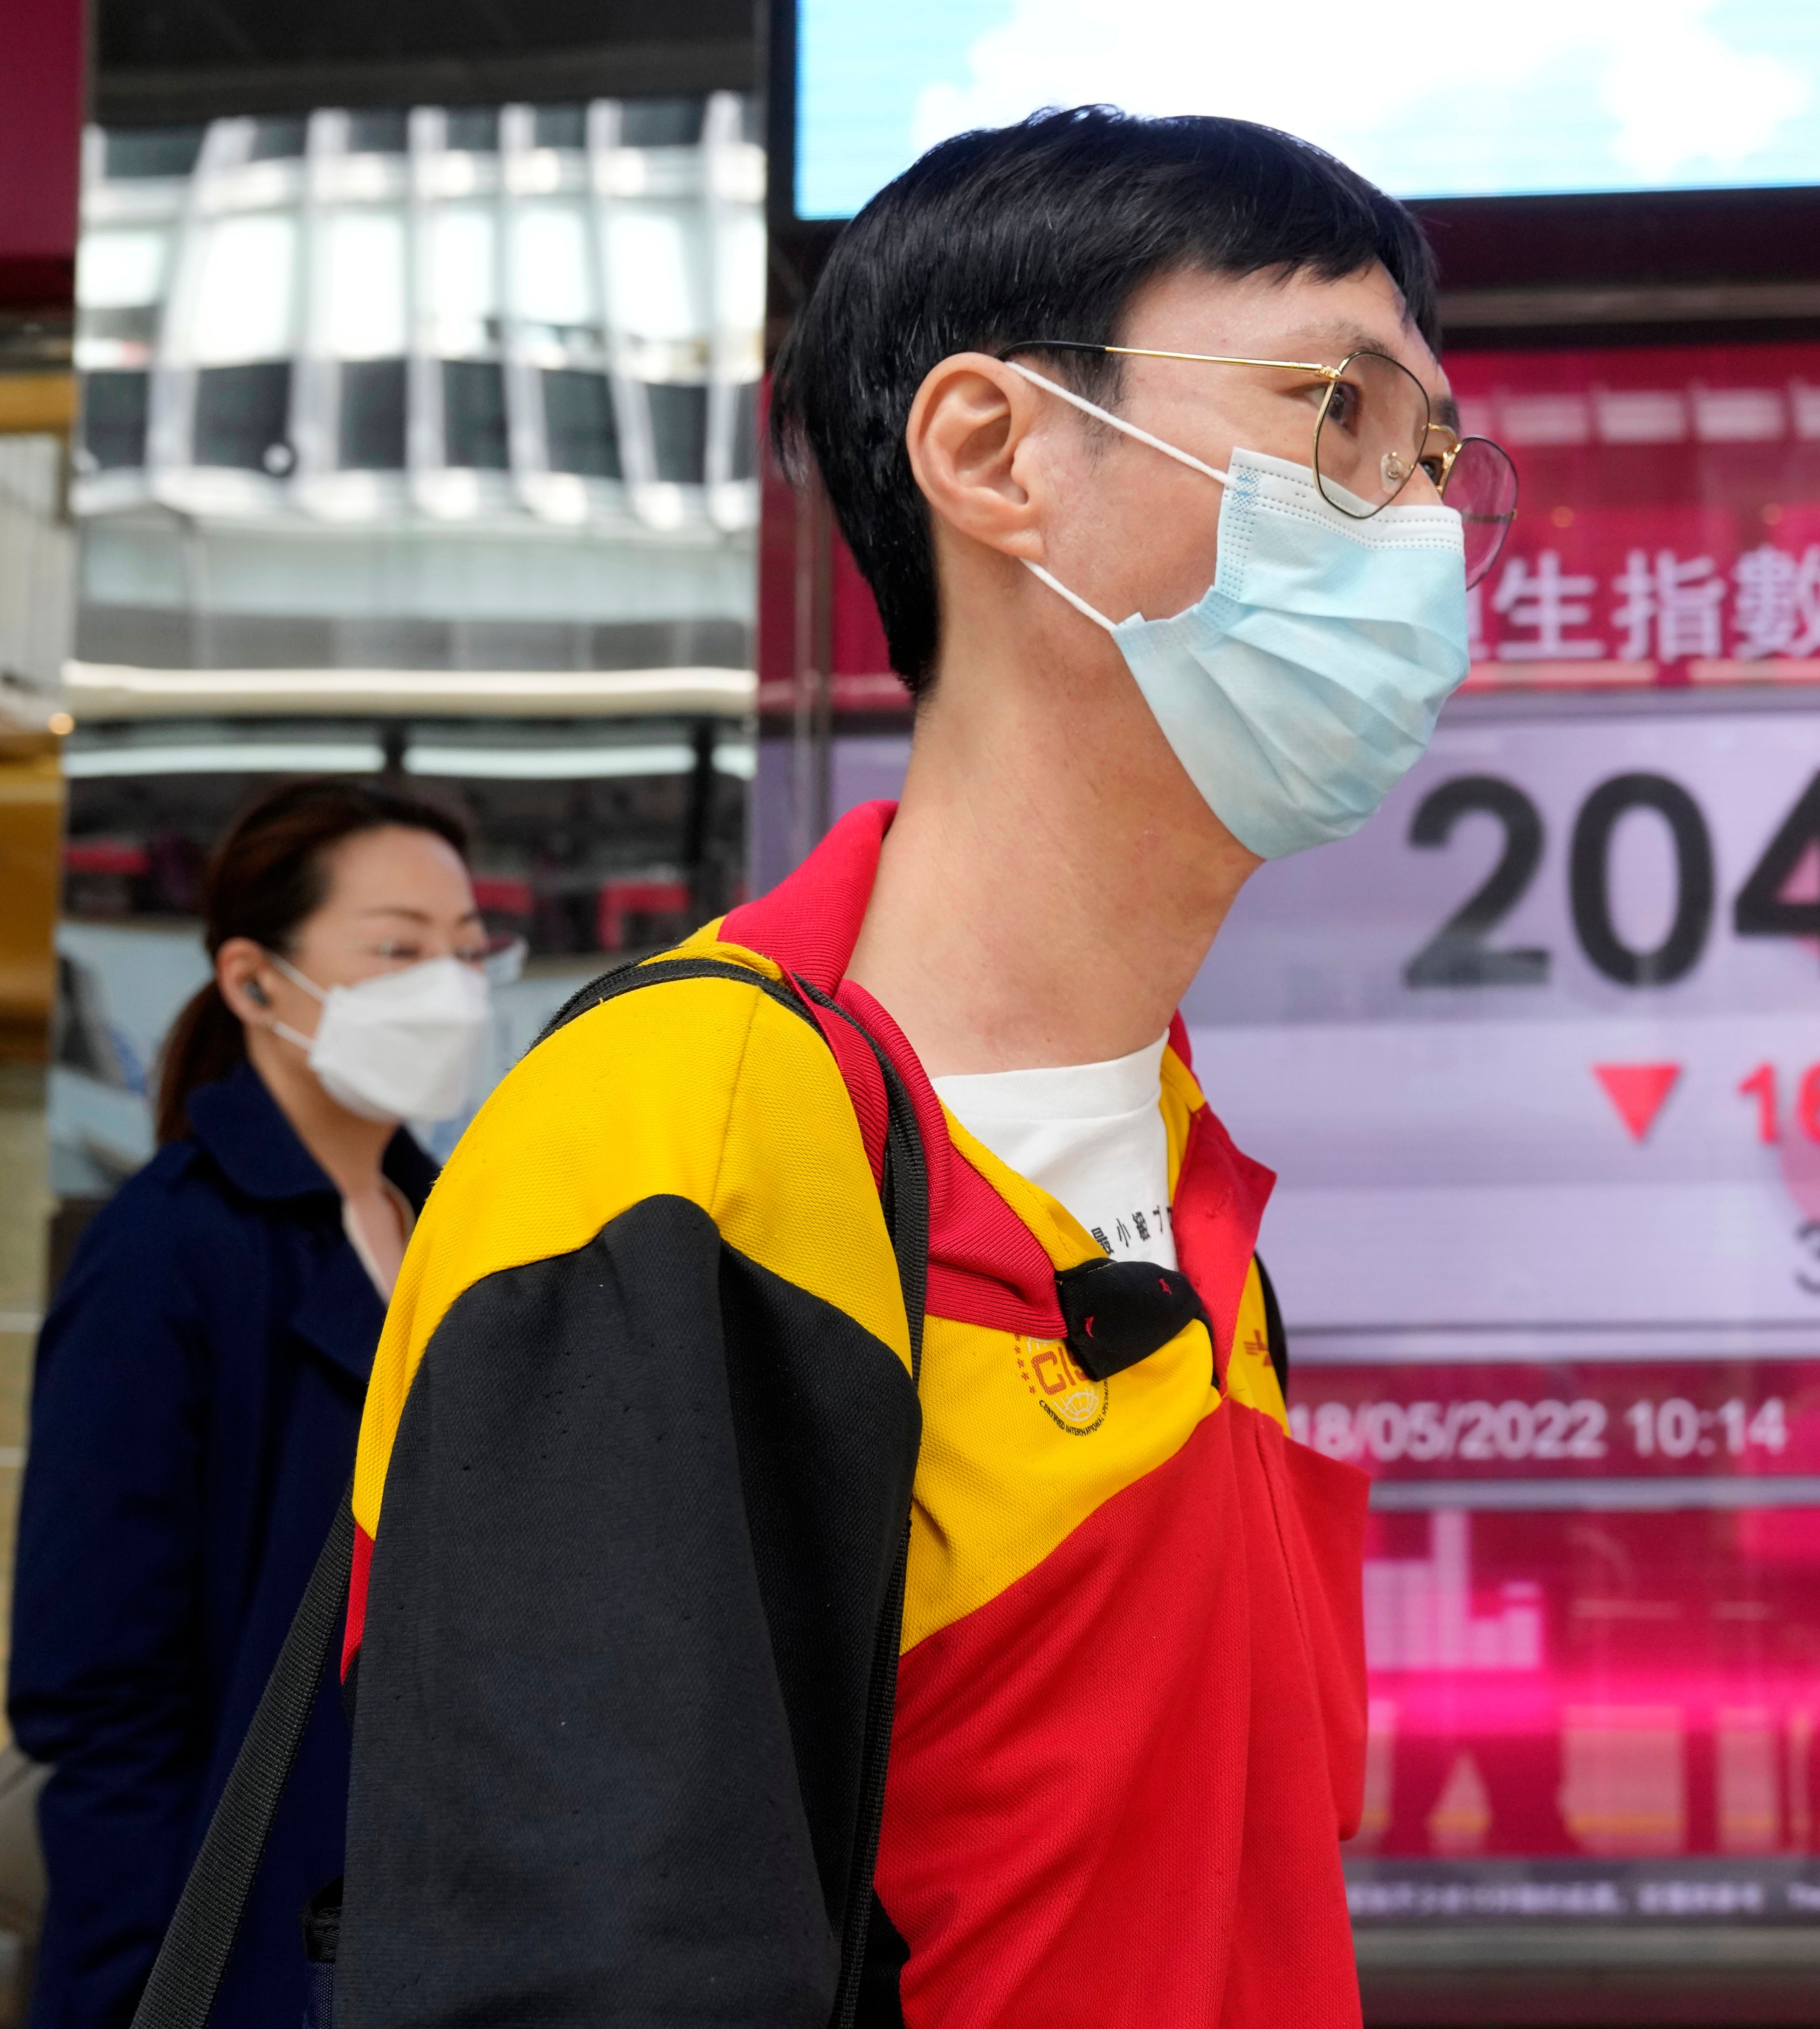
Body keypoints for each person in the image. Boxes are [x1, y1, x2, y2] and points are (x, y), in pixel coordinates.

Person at [335, 109, 1510, 2028]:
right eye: (1337, 417)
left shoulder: (1188, 1190)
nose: (1424, 525)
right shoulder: (680, 1147)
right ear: (990, 454)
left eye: (1440, 458)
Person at [10, 778, 492, 2029]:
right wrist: (131, 1984)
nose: (447, 986)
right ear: (254, 980)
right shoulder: (169, 1249)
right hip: (246, 1943)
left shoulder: (455, 1235)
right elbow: (98, 1686)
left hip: (438, 1913)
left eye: (468, 949)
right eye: (396, 948)